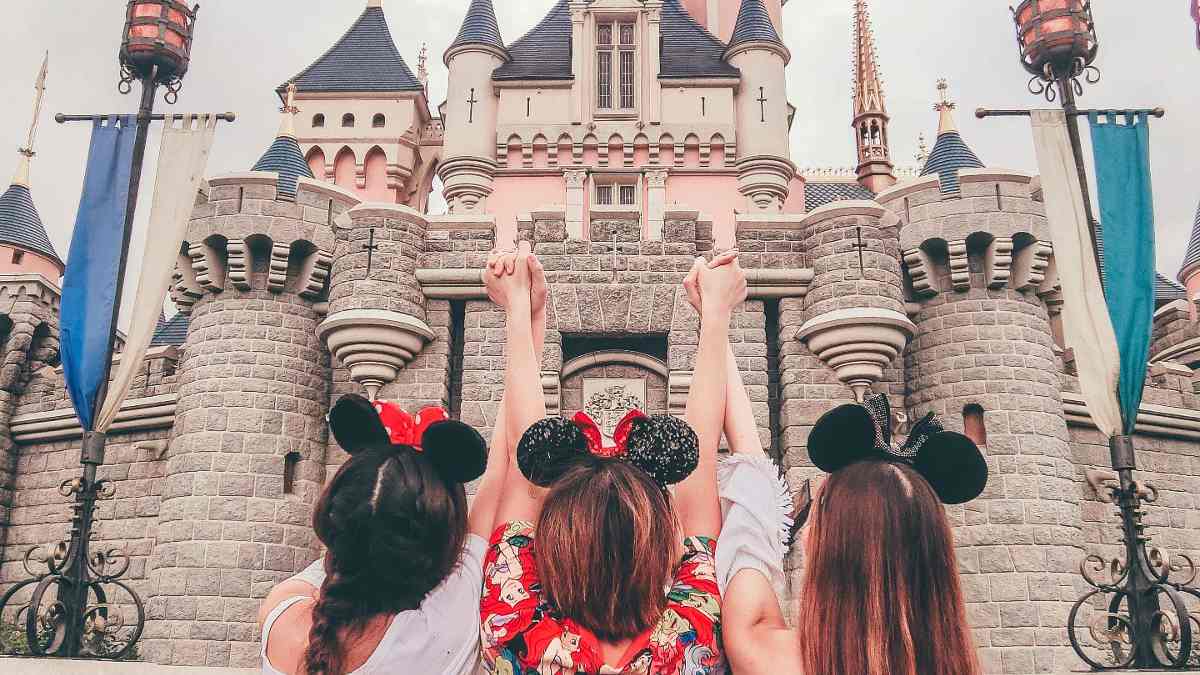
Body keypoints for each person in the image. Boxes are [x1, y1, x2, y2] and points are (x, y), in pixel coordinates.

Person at [257, 256, 550, 675]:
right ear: (441, 534)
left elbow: (348, 554)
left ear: (331, 518)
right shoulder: (448, 617)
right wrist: (522, 313)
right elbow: (518, 459)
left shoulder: (281, 614)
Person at [479, 241, 746, 675]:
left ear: (553, 542)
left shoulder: (517, 631)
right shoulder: (688, 640)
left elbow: (521, 459)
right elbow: (700, 472)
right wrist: (716, 316)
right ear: (663, 547)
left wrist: (520, 308)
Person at [719, 385, 989, 675]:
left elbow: (750, 495)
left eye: (818, 518)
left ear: (836, 549)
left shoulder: (771, 658)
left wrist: (715, 340)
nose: (807, 533)